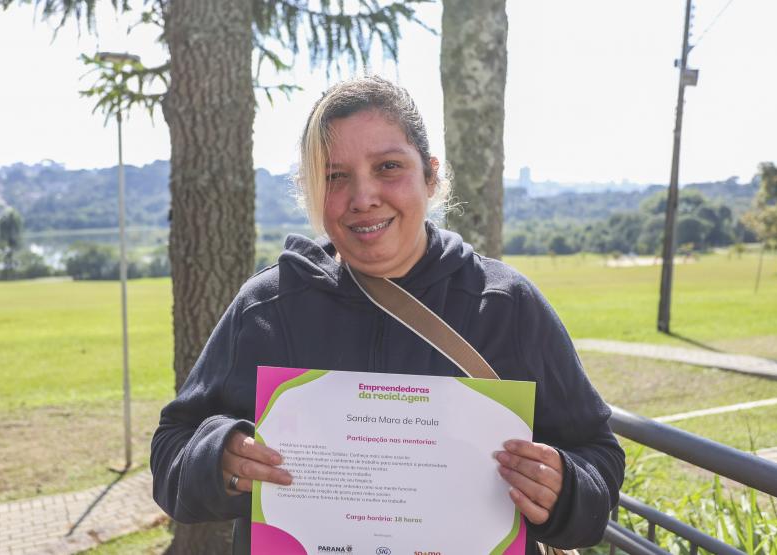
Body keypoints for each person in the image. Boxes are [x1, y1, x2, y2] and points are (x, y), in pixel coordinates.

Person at [151, 75, 625, 554]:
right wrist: (220, 458)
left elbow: (598, 458)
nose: (363, 197)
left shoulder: (506, 306)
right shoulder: (268, 309)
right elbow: (172, 450)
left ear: (431, 175)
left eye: (388, 166)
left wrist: (564, 492)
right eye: (335, 176)